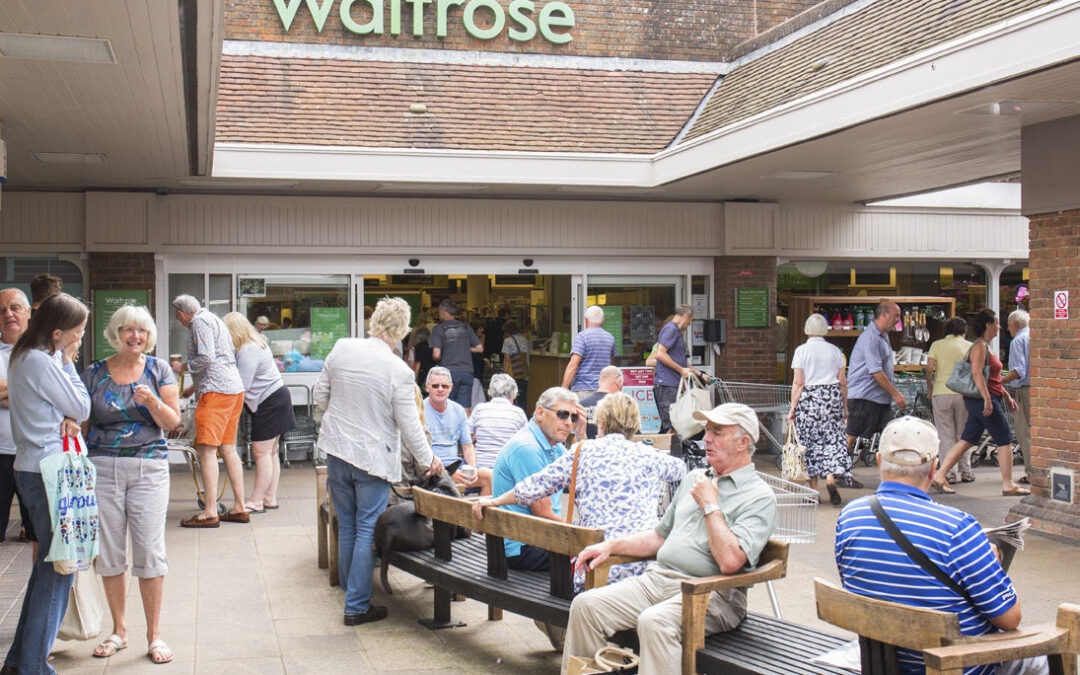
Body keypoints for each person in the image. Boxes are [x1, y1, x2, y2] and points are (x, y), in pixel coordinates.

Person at [562, 403, 777, 675]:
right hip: (657, 580)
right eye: (707, 430)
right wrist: (610, 546)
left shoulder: (758, 496)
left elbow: (731, 562)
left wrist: (711, 506)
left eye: (717, 432)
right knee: (586, 606)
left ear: (743, 442)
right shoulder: (695, 479)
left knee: (654, 622)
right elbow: (658, 537)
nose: (706, 438)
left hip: (709, 595)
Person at [835, 416, 1039, 675]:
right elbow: (1011, 619)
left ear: (878, 462)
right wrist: (992, 563)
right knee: (1040, 658)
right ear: (933, 468)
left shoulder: (850, 518)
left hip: (881, 664)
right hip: (957, 667)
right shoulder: (957, 529)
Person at [314, 297, 441, 625]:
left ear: (374, 324)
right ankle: (356, 606)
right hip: (371, 460)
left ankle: (349, 587)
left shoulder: (342, 348)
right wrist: (429, 461)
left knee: (347, 522)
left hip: (337, 452)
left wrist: (331, 422)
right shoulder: (398, 369)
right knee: (366, 526)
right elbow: (411, 425)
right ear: (401, 331)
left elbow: (320, 396)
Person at [474, 392, 684, 588]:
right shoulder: (649, 455)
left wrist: (493, 501)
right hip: (643, 565)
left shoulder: (582, 452)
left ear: (600, 422)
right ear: (636, 423)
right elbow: (682, 471)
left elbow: (533, 487)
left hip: (596, 565)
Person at [80, 305, 180, 665]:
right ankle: (119, 631)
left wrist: (153, 402)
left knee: (149, 551)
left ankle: (154, 635)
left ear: (148, 335)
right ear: (116, 333)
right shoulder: (93, 373)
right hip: (101, 468)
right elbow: (83, 424)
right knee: (109, 553)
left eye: (141, 331)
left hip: (147, 468)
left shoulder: (158, 369)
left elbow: (172, 422)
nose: (135, 336)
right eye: (128, 330)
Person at [3, 293, 91, 675]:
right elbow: (82, 406)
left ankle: (20, 660)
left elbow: (72, 409)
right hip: (50, 472)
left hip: (32, 468)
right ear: (57, 333)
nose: (79, 339)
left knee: (46, 567)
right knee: (60, 570)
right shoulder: (42, 361)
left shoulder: (26, 356)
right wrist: (70, 364)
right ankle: (34, 665)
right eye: (77, 333)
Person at [172, 294, 249, 527]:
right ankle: (240, 507)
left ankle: (210, 511)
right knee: (228, 449)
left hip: (215, 392)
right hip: (233, 389)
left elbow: (206, 358)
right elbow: (221, 360)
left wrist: (182, 366)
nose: (179, 321)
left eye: (178, 317)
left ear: (180, 314)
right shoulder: (215, 320)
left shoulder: (198, 323)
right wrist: (192, 388)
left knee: (206, 450)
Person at [932, 309, 1028, 497]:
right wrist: (987, 399)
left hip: (984, 399)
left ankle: (940, 475)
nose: (999, 327)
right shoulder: (979, 347)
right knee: (1005, 439)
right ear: (988, 325)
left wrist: (1007, 397)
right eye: (997, 323)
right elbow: (977, 374)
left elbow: (992, 377)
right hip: (983, 400)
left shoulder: (986, 346)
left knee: (966, 440)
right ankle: (1008, 484)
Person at [491, 387, 586, 571]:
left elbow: (583, 473)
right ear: (540, 413)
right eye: (562, 415)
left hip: (540, 538)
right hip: (523, 547)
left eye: (573, 418)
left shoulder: (552, 444)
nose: (568, 423)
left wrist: (580, 434)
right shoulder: (528, 448)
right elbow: (542, 512)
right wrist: (580, 534)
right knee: (596, 556)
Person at [223, 312, 295, 513]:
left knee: (262, 453)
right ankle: (269, 497)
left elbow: (242, 386)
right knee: (270, 452)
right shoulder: (257, 343)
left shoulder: (247, 350)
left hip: (269, 402)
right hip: (277, 398)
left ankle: (256, 501)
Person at [787, 313, 850, 505]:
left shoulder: (801, 351)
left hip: (810, 399)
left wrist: (792, 408)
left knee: (809, 442)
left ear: (807, 329)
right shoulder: (835, 351)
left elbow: (798, 383)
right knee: (831, 440)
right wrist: (845, 406)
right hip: (831, 398)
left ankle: (814, 490)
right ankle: (830, 478)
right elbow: (843, 382)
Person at [846, 301, 906, 460]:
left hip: (878, 398)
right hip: (864, 396)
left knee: (891, 433)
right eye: (896, 316)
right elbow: (876, 372)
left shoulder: (883, 335)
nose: (898, 320)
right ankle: (836, 471)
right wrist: (896, 394)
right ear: (884, 315)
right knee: (851, 435)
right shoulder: (871, 337)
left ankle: (896, 470)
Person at [0, 289, 34, 545]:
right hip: (0, 454)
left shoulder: (43, 351)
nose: (8, 314)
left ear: (29, 311)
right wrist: (29, 390)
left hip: (34, 455)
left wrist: (7, 391)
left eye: (14, 307)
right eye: (1, 310)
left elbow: (50, 396)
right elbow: (36, 394)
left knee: (37, 534)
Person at [925, 317, 974, 484]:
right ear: (964, 331)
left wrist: (930, 389)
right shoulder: (969, 346)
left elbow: (929, 369)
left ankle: (949, 473)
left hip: (941, 392)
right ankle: (966, 471)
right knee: (964, 434)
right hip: (964, 393)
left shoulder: (937, 345)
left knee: (946, 435)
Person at [468, 373, 527, 495]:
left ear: (490, 391)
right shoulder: (518, 413)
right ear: (513, 394)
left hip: (480, 467)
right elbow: (525, 443)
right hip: (507, 470)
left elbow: (466, 439)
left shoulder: (480, 409)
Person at [422, 367, 477, 486]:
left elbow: (467, 446)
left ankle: (478, 505)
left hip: (456, 466)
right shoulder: (419, 411)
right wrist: (447, 473)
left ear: (451, 388)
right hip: (430, 468)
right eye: (435, 386)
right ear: (427, 387)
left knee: (488, 476)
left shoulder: (459, 411)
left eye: (444, 386)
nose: (440, 389)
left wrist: (473, 468)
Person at [652, 304, 699, 433]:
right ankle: (666, 452)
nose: (689, 324)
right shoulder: (671, 329)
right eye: (691, 320)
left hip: (671, 384)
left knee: (673, 426)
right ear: (686, 316)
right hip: (667, 385)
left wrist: (698, 373)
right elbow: (660, 354)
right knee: (670, 426)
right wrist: (681, 370)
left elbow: (679, 359)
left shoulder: (674, 330)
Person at [430, 299, 483, 410]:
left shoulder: (438, 329)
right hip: (467, 372)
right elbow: (480, 348)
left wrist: (442, 355)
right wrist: (465, 348)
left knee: (446, 407)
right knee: (465, 408)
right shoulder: (466, 327)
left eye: (439, 311)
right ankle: (465, 427)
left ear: (444, 311)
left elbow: (436, 354)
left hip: (448, 374)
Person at [561, 305, 616, 397]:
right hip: (603, 390)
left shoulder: (582, 337)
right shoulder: (610, 338)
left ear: (586, 320)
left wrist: (563, 389)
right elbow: (611, 365)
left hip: (583, 389)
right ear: (602, 321)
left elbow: (573, 365)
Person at [1003, 310, 1031, 484]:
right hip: (1039, 388)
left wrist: (999, 381)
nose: (1007, 329)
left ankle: (1032, 472)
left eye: (1008, 325)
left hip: (1025, 389)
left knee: (1024, 432)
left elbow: (1018, 371)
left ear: (1015, 325)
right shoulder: (1035, 336)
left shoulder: (1018, 341)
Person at [579, 365, 624, 439]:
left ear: (599, 382)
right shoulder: (621, 405)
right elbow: (634, 435)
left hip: (588, 449)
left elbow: (575, 437)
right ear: (619, 382)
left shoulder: (581, 404)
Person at [501, 320, 530, 410]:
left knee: (510, 399)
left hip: (513, 374)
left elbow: (507, 359)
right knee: (522, 399)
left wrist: (504, 372)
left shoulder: (508, 341)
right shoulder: (524, 339)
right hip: (523, 373)